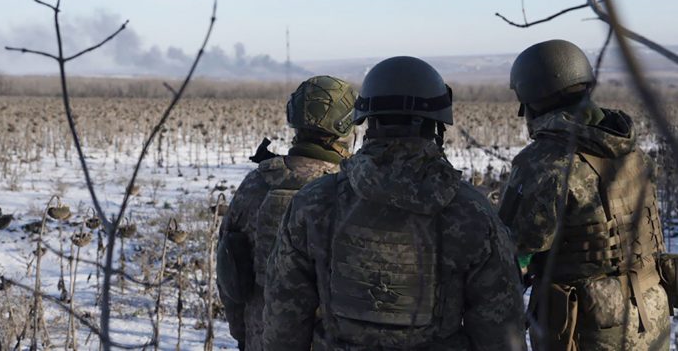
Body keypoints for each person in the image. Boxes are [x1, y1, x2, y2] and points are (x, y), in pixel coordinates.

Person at [263, 56, 526, 351]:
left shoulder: (313, 204)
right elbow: (502, 332)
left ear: (364, 120)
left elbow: (283, 318)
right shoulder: (472, 214)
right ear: (437, 125)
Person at [498, 39, 671, 350]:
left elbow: (512, 250)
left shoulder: (544, 163)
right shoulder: (632, 151)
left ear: (533, 99)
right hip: (652, 309)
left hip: (589, 324)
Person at [216, 75, 358, 351]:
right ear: (345, 127)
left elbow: (229, 276)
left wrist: (245, 337)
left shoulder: (256, 184)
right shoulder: (352, 191)